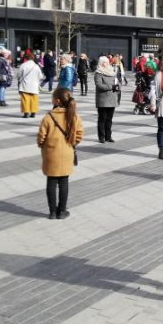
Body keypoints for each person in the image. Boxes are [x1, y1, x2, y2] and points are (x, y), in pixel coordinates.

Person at [38, 88, 84, 220]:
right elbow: (80, 134)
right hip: (67, 153)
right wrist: (72, 142)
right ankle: (62, 211)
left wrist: (43, 145)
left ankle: (52, 212)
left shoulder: (48, 117)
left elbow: (41, 136)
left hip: (51, 153)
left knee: (51, 182)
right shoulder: (74, 116)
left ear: (57, 101)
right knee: (64, 182)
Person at [94, 56, 119, 143]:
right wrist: (110, 87)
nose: (107, 63)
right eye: (104, 62)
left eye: (107, 62)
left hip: (112, 98)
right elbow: (99, 85)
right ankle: (101, 137)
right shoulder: (98, 73)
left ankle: (108, 136)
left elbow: (116, 82)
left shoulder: (112, 72)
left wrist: (118, 87)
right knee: (102, 119)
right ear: (101, 63)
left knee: (109, 119)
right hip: (103, 99)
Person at [17, 52, 43, 118]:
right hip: (34, 85)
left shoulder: (23, 65)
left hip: (25, 84)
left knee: (25, 99)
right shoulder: (36, 66)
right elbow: (40, 76)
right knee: (34, 99)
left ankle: (26, 113)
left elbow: (18, 75)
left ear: (26, 58)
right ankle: (33, 112)